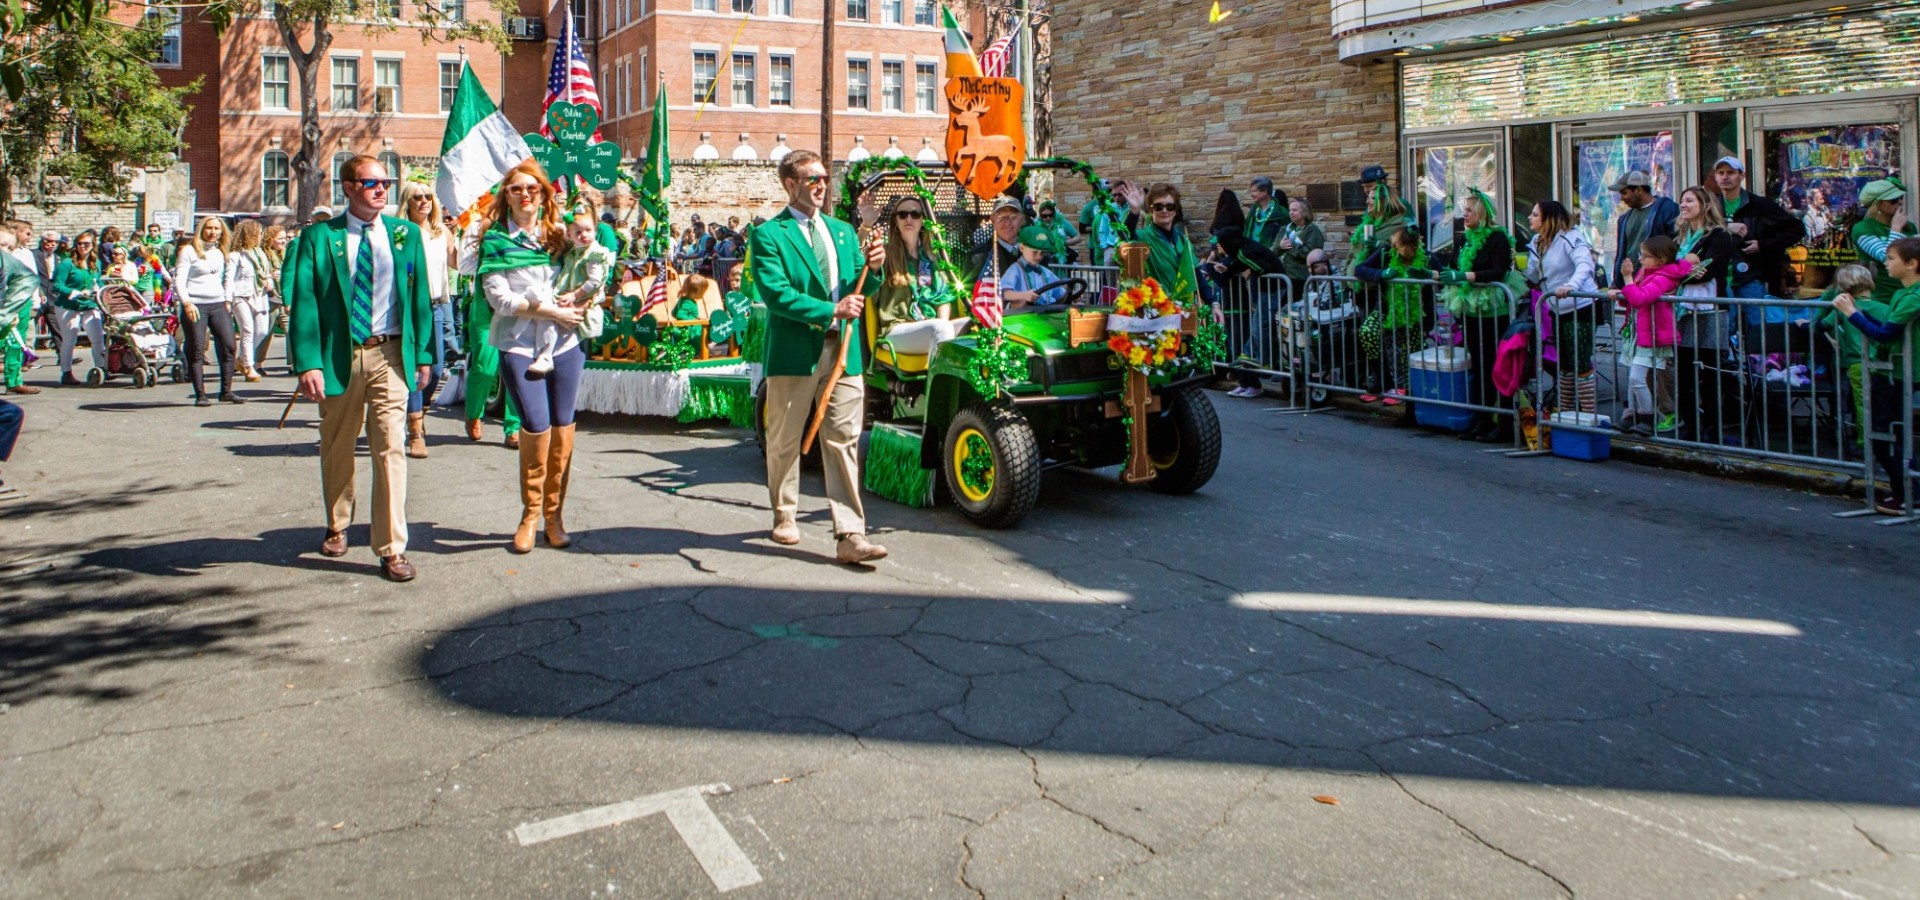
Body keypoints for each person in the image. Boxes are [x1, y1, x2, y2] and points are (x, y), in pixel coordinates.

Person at [284, 154, 434, 582]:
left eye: (385, 182)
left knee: (391, 447)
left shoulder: (405, 235)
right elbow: (306, 301)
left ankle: (391, 547)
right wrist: (307, 362)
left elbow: (420, 296)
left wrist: (423, 353)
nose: (381, 189)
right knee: (338, 444)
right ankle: (337, 522)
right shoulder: (319, 237)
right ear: (348, 187)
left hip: (389, 354)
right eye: (371, 183)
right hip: (339, 355)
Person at [750, 149, 889, 564]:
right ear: (790, 185)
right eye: (812, 179)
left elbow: (857, 288)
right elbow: (776, 295)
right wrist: (830, 310)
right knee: (785, 439)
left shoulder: (843, 232)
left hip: (844, 350)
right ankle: (785, 514)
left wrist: (875, 268)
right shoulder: (769, 235)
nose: (821, 185)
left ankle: (850, 534)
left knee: (843, 440)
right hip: (795, 351)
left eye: (825, 178)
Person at [480, 159, 589, 555]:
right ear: (506, 196)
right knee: (536, 424)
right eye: (516, 189)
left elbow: (593, 267)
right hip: (519, 343)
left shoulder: (560, 237)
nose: (525, 195)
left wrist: (581, 298)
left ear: (544, 194)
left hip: (565, 343)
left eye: (533, 189)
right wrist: (549, 311)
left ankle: (554, 516)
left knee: (563, 426)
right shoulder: (494, 240)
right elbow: (500, 300)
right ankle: (529, 515)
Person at [1832, 236, 1920, 514]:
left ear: (1912, 264)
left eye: (1892, 258)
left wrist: (1851, 314)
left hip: (1903, 372)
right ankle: (1905, 491)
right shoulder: (1900, 294)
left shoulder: (1914, 297)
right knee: (1886, 433)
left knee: (1887, 433)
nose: (1886, 263)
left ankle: (1908, 493)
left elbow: (1884, 333)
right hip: (1891, 369)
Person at [1431, 189, 1517, 442]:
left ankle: (1503, 423)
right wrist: (1437, 274)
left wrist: (1464, 277)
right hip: (1471, 310)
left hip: (1494, 311)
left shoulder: (1498, 237)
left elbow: (1498, 272)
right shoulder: (1466, 238)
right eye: (1464, 211)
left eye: (1469, 211)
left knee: (1496, 367)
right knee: (1478, 366)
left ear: (1481, 212)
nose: (1464, 216)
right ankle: (1481, 419)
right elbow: (1457, 267)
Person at [1672, 184, 1741, 444]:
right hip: (1683, 310)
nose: (1684, 205)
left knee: (1711, 371)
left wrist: (1681, 271)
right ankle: (1691, 425)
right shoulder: (1680, 236)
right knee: (1685, 371)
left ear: (1705, 205)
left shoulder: (1718, 236)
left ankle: (1713, 427)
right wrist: (1685, 267)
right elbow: (1669, 271)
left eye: (1689, 200)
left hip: (1711, 310)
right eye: (1682, 201)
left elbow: (1710, 270)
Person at [398, 180, 457, 460]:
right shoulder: (399, 232)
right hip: (407, 307)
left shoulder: (440, 232)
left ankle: (419, 412)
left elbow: (459, 262)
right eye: (417, 197)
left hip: (435, 306)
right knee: (414, 369)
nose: (424, 201)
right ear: (406, 202)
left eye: (428, 197)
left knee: (435, 370)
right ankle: (415, 431)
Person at [1609, 235, 1690, 436]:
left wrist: (1627, 279)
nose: (1640, 260)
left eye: (1645, 256)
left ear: (1660, 260)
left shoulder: (1663, 277)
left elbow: (1640, 298)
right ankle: (1632, 414)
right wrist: (1622, 292)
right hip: (1640, 333)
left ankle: (1648, 416)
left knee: (1637, 378)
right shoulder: (1647, 273)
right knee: (1633, 377)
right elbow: (1633, 295)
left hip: (1654, 335)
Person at [1525, 200, 1600, 414]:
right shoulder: (1537, 242)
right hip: (1557, 307)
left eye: (1535, 215)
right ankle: (1567, 411)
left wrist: (1571, 285)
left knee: (1580, 360)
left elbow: (1585, 263)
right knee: (1565, 362)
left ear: (1548, 219)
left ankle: (1587, 414)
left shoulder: (1571, 237)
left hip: (1581, 305)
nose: (1530, 218)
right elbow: (1534, 273)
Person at [872, 194, 960, 360]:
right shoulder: (885, 254)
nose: (909, 219)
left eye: (915, 214)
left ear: (923, 221)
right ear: (896, 222)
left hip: (930, 325)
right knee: (941, 329)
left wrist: (943, 323)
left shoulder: (933, 257)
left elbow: (944, 298)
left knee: (972, 325)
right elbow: (864, 277)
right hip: (897, 328)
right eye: (903, 215)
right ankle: (936, 385)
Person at [1711, 156, 1804, 300]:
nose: (1725, 177)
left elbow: (1796, 229)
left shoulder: (1760, 205)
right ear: (1715, 177)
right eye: (1721, 173)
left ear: (1742, 176)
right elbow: (1697, 231)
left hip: (1752, 277)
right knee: (1726, 322)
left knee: (1756, 321)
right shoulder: (1710, 206)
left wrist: (1763, 245)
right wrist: (1725, 226)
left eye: (1730, 173)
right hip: (1719, 277)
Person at [1354, 227, 1428, 407]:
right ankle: (1381, 381)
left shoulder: (1426, 256)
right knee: (1368, 333)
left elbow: (1441, 274)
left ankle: (1405, 389)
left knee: (1406, 350)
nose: (1401, 252)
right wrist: (1381, 274)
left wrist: (1429, 275)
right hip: (1387, 310)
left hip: (1416, 313)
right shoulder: (1387, 252)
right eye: (1399, 247)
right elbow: (1360, 269)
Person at [542, 203, 615, 375]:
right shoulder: (576, 250)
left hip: (580, 299)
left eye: (588, 230)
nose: (584, 235)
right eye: (578, 232)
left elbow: (595, 281)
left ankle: (547, 356)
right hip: (569, 296)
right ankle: (549, 356)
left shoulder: (594, 253)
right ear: (570, 235)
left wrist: (575, 295)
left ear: (595, 230)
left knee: (559, 327)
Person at [175, 217, 241, 406]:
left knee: (229, 346)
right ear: (202, 229)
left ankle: (226, 391)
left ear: (222, 232)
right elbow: (179, 280)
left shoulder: (221, 252)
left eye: (216, 229)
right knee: (196, 349)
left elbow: (228, 278)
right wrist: (186, 303)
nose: (213, 232)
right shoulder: (189, 251)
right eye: (209, 228)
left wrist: (228, 299)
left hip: (218, 303)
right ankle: (200, 394)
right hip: (195, 304)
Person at [1814, 265, 1881, 450]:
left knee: (1862, 404)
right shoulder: (1884, 308)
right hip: (1884, 363)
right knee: (1881, 404)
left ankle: (1865, 443)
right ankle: (1884, 440)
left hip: (1856, 362)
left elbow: (1820, 326)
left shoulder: (1844, 309)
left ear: (1844, 287)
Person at [1119, 182, 1200, 307]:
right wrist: (1134, 212)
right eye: (1158, 207)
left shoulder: (1183, 241)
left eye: (1170, 206)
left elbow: (1196, 274)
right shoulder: (1143, 237)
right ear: (1151, 210)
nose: (1164, 210)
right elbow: (1126, 236)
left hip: (1184, 309)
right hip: (1156, 311)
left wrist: (1214, 303)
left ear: (1175, 210)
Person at [52, 230, 107, 386]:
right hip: (68, 306)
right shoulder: (67, 263)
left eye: (87, 244)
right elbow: (57, 284)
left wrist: (99, 290)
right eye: (80, 244)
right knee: (70, 340)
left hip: (89, 304)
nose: (83, 247)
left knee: (97, 339)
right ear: (75, 245)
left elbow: (98, 282)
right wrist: (73, 292)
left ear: (92, 246)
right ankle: (66, 372)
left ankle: (101, 369)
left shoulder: (96, 263)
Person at [1608, 171, 1678, 289]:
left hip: (1656, 283)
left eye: (1625, 193)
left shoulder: (1667, 209)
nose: (1622, 198)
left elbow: (1675, 245)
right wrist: (1618, 280)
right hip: (1631, 283)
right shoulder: (1624, 218)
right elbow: (1623, 251)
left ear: (1639, 190)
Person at [1851, 179, 1916, 304]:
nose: (1900, 202)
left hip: (1909, 294)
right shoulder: (1863, 228)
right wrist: (1896, 229)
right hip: (1880, 295)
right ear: (1877, 204)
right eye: (1893, 200)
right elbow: (1885, 257)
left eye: (1900, 197)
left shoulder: (1909, 227)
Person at [226, 220, 271, 383]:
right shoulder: (235, 256)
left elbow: (266, 274)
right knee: (247, 329)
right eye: (259, 234)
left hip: (259, 295)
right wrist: (227, 299)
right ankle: (249, 366)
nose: (261, 237)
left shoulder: (261, 255)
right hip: (240, 295)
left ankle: (241, 358)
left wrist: (269, 281)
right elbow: (229, 279)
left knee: (262, 331)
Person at [0, 230, 41, 396]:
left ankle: (14, 381)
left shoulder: (22, 256)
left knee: (16, 342)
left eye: (10, 247)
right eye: (2, 245)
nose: (6, 250)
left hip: (20, 302)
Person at [1000, 226, 1065, 308]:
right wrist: (1023, 295)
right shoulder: (1015, 270)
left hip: (1048, 314)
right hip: (1024, 315)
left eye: (1042, 253)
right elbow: (1003, 293)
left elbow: (1060, 292)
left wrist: (1073, 296)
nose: (1039, 257)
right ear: (1022, 248)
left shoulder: (1046, 272)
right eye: (1034, 252)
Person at [972, 197, 1025, 283]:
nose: (1008, 223)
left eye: (1013, 217)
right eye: (1002, 218)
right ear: (993, 220)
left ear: (1022, 220)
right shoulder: (978, 257)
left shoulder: (1035, 253)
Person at [1277, 197, 1325, 287]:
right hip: (1283, 276)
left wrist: (1290, 246)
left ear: (1304, 212)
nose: (1291, 213)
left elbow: (1311, 254)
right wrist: (1279, 247)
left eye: (1294, 210)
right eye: (1290, 210)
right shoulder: (1284, 229)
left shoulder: (1312, 231)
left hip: (1301, 278)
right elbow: (1274, 250)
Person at [1245, 177, 1287, 249]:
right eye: (1251, 191)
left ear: (1265, 191)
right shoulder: (1253, 211)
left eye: (1254, 191)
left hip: (1269, 256)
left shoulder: (1282, 213)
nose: (1251, 194)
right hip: (1250, 255)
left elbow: (1286, 238)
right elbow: (1246, 232)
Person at [1034, 200, 1077, 265]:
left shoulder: (1061, 222)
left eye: (1050, 215)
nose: (1048, 218)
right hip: (1042, 263)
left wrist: (1063, 243)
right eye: (1044, 216)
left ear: (1054, 214)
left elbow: (1078, 237)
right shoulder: (1036, 225)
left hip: (1060, 264)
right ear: (1040, 216)